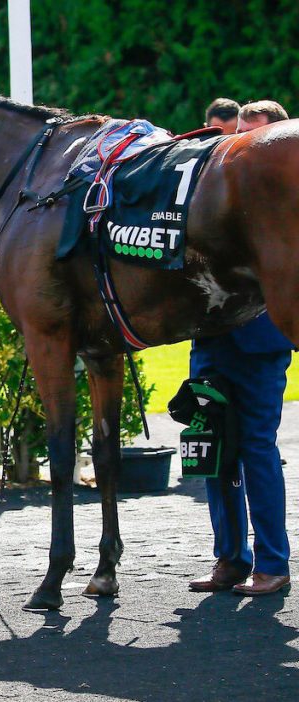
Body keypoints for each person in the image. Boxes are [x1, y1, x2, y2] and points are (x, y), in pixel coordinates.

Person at [188, 100, 293, 597]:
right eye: (239, 137)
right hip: (211, 337)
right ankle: (229, 559)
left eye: (255, 138)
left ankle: (273, 563)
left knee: (256, 449)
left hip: (260, 343)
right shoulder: (218, 193)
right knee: (211, 451)